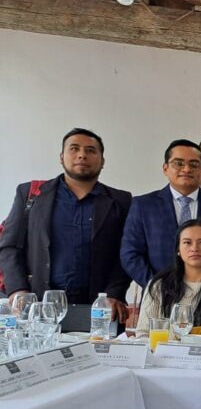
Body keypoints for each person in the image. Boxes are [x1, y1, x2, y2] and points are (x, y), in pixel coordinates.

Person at [0, 128, 132, 317]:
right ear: (61, 157)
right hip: (38, 306)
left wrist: (114, 293)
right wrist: (18, 290)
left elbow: (127, 253)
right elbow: (9, 246)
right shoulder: (31, 194)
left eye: (90, 150)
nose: (82, 155)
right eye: (74, 148)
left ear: (102, 161)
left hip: (99, 309)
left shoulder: (121, 201)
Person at [121, 139, 201, 289]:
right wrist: (156, 286)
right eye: (178, 163)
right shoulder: (143, 205)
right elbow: (130, 254)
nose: (186, 169)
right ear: (165, 168)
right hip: (158, 294)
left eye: (194, 164)